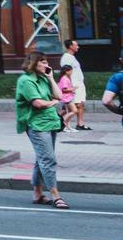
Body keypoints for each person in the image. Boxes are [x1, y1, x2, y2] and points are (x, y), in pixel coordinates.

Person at [16, 51, 68, 209]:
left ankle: (38, 194)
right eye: (43, 62)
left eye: (47, 62)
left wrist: (51, 78)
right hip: (36, 124)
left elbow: (59, 95)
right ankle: (55, 195)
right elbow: (38, 103)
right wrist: (53, 102)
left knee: (42, 159)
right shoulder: (26, 81)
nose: (47, 65)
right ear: (33, 63)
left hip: (50, 122)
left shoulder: (44, 78)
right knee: (48, 160)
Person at [60, 38, 92, 130]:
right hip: (74, 85)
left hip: (79, 84)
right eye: (76, 45)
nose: (78, 47)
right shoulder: (66, 58)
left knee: (80, 104)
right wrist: (70, 86)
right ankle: (59, 123)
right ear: (70, 46)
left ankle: (80, 124)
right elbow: (65, 72)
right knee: (73, 105)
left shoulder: (72, 57)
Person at [56, 64, 77, 131]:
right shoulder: (64, 79)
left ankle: (67, 126)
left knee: (68, 111)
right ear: (66, 71)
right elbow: (64, 89)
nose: (71, 72)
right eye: (71, 71)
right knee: (74, 111)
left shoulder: (65, 78)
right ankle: (63, 121)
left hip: (68, 97)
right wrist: (72, 89)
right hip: (67, 98)